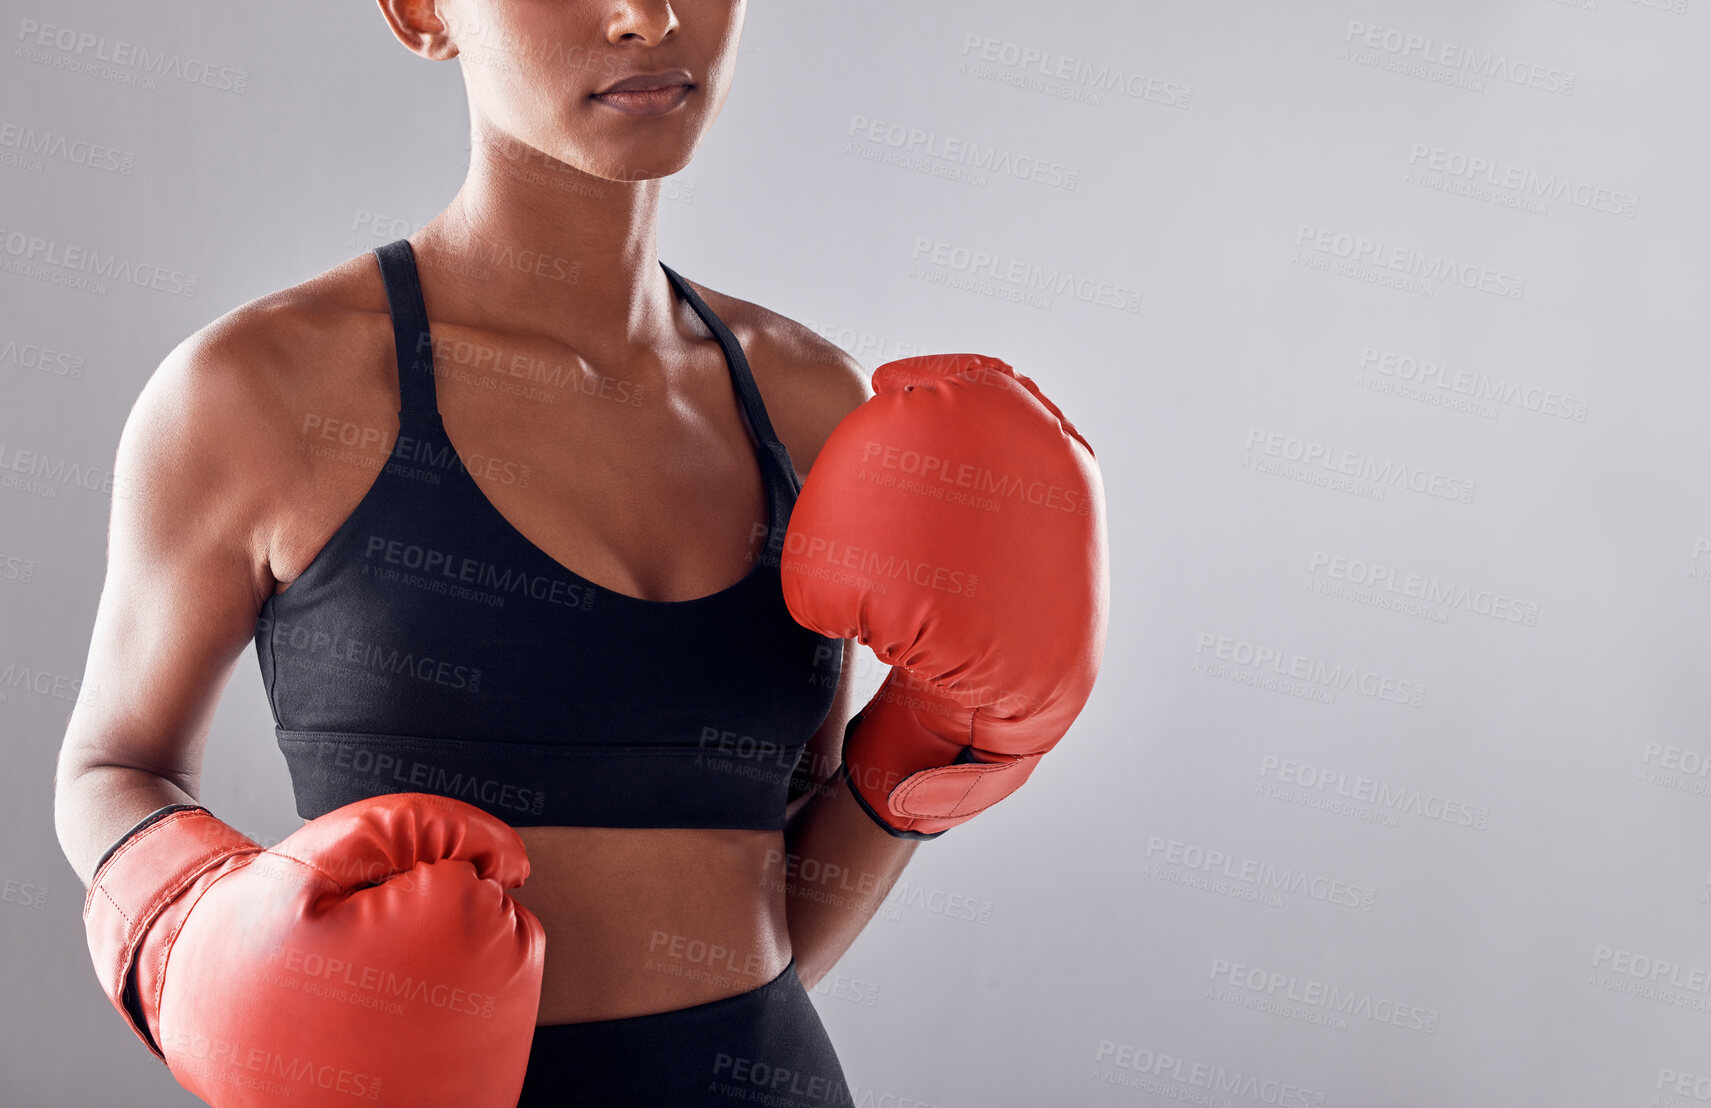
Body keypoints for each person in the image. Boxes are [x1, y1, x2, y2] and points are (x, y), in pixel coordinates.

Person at [52, 2, 1106, 1104]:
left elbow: (768, 910)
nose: (646, 16)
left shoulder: (811, 405)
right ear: (423, 13)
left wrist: (925, 748)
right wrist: (194, 928)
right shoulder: (264, 392)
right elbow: (111, 768)